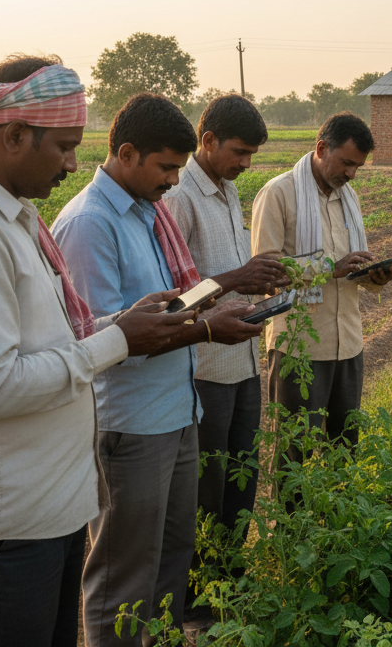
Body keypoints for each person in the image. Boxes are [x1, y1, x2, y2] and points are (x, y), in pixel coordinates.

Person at [0, 54, 200, 647]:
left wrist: (121, 322)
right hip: (5, 527)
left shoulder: (8, 220)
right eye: (64, 147)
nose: (72, 164)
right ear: (14, 135)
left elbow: (51, 338)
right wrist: (118, 340)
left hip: (45, 511)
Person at [51, 93, 263, 645]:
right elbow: (106, 338)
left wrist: (218, 303)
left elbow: (171, 303)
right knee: (123, 573)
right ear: (126, 153)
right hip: (130, 424)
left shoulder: (149, 212)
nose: (175, 179)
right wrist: (209, 328)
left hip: (177, 410)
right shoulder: (90, 224)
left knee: (172, 558)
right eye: (167, 166)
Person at [161, 94, 290, 614]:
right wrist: (236, 279)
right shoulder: (179, 198)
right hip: (203, 370)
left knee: (242, 478)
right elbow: (173, 295)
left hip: (241, 363)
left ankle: (228, 588)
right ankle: (198, 605)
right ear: (206, 141)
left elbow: (229, 273)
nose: (245, 164)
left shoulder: (228, 189)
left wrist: (261, 282)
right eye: (238, 151)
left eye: (252, 155)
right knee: (207, 490)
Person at [249, 112, 392, 483]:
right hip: (298, 348)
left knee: (343, 447)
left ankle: (334, 532)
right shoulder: (279, 193)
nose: (351, 174)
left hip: (348, 343)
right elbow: (265, 273)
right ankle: (286, 534)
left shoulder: (348, 198)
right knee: (293, 452)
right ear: (321, 149)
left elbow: (349, 269)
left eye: (358, 167)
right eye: (346, 163)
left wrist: (374, 276)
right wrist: (330, 267)